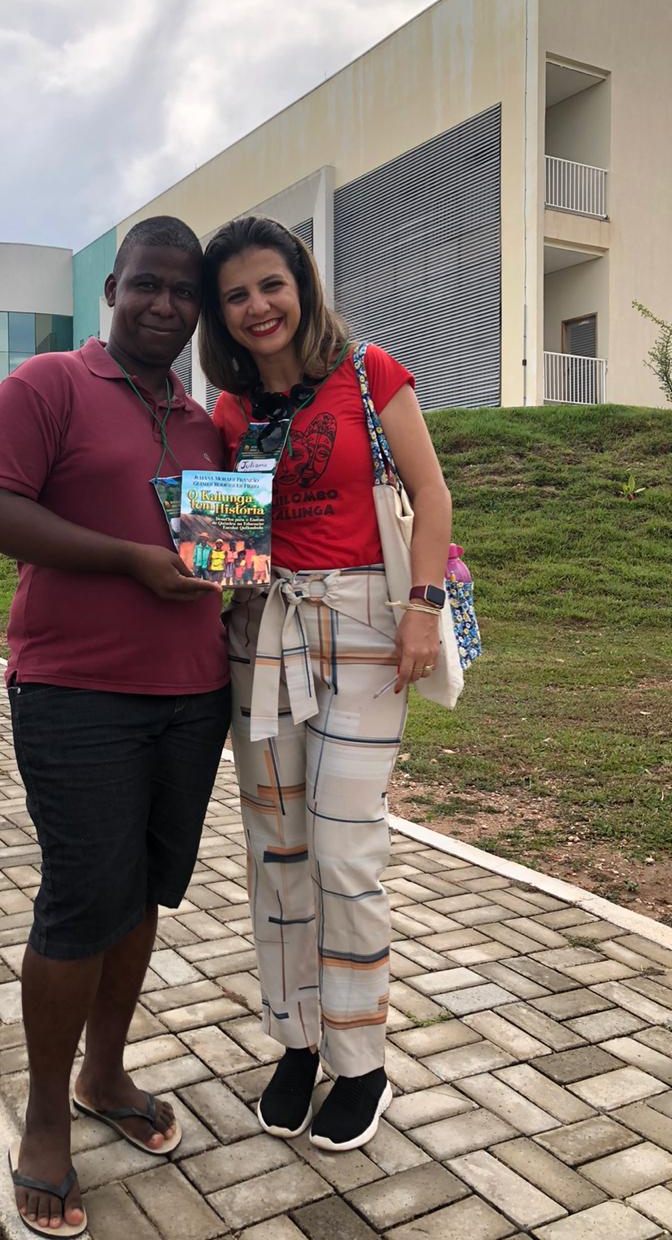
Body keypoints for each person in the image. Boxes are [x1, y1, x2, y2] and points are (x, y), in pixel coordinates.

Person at [0, 216, 230, 1237]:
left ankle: (105, 1074)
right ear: (112, 288)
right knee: (81, 899)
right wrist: (127, 560)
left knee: (143, 892)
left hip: (193, 693)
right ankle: (44, 1120)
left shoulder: (203, 423)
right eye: (147, 284)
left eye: (184, 291)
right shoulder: (48, 386)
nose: (165, 305)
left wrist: (245, 576)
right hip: (76, 693)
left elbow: (216, 558)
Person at [200, 216, 452, 1153]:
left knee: (345, 851)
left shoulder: (369, 373)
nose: (258, 306)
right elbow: (227, 549)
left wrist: (422, 607)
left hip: (365, 627)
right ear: (220, 315)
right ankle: (297, 1039)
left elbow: (433, 494)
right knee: (278, 851)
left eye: (271, 284)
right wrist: (205, 569)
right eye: (236, 295)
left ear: (302, 284)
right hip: (260, 631)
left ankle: (362, 1058)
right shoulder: (228, 412)